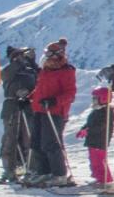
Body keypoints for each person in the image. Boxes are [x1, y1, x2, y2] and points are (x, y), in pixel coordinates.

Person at [25, 38, 77, 186]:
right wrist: (29, 97)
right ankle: (43, 172)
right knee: (37, 142)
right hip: (40, 109)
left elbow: (70, 94)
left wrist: (54, 101)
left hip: (54, 112)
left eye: (48, 53)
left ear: (56, 55)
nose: (46, 56)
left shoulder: (66, 72)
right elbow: (41, 89)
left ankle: (59, 174)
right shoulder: (46, 70)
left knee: (51, 143)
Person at [0, 46, 39, 184]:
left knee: (28, 139)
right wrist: (19, 62)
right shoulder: (9, 70)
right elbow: (4, 75)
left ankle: (29, 167)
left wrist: (32, 62)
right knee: (10, 139)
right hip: (12, 106)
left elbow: (41, 77)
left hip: (28, 106)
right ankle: (9, 169)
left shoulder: (31, 70)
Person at [75, 86, 114, 187]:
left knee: (99, 161)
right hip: (93, 140)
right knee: (93, 161)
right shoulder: (96, 111)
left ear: (103, 99)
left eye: (96, 99)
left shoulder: (107, 112)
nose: (94, 101)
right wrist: (83, 128)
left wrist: (88, 130)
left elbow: (101, 126)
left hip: (100, 141)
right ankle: (99, 178)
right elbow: (90, 123)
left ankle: (106, 180)